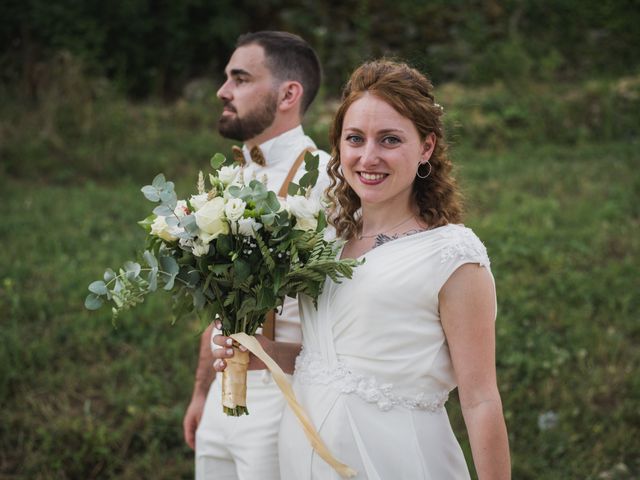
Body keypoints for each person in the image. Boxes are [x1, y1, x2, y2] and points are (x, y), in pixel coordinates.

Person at [213, 59, 511, 479]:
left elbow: (481, 399)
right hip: (305, 451)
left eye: (389, 139)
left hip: (394, 458)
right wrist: (259, 351)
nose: (368, 157)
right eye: (355, 139)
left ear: (426, 147)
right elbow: (324, 359)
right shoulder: (326, 238)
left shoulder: (453, 256)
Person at [182, 31, 330, 480]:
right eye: (228, 78)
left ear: (289, 93)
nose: (222, 91)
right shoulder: (230, 176)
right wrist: (200, 391)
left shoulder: (326, 180)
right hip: (221, 399)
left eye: (240, 78)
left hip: (288, 400)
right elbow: (221, 300)